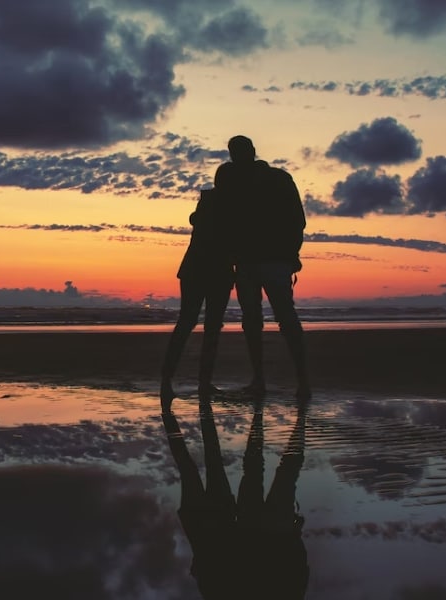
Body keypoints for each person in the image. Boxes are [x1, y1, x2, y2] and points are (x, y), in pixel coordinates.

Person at [161, 397, 309, 600]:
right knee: (257, 467)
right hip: (257, 530)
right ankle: (271, 411)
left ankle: (282, 414)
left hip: (257, 529)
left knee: (268, 468)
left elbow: (299, 567)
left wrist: (294, 533)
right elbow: (298, 567)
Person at [214, 135, 310, 401]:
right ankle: (265, 380)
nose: (236, 157)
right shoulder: (231, 178)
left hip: (271, 259)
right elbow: (224, 216)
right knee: (259, 320)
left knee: (281, 319)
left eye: (239, 152)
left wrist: (292, 254)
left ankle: (297, 381)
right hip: (249, 261)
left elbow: (296, 219)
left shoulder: (276, 179)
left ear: (252, 152)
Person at [160, 188, 234, 411]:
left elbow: (198, 219)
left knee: (192, 323)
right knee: (199, 324)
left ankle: (183, 381)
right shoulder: (224, 203)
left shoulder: (211, 203)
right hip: (211, 271)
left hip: (202, 270)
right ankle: (185, 381)